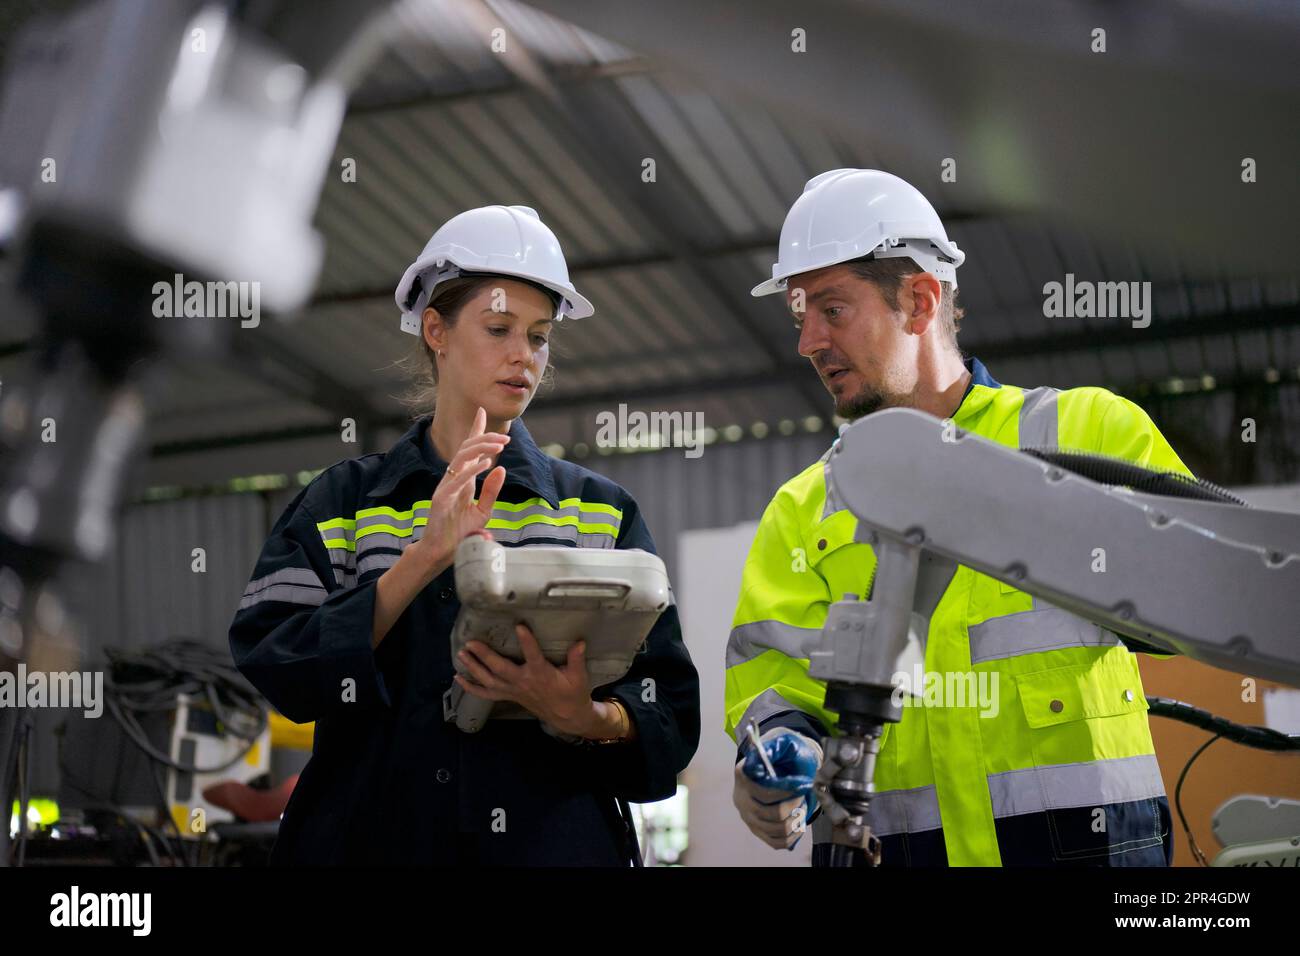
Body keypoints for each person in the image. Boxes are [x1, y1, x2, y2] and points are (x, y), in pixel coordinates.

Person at [726, 169, 1189, 867]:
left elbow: (1199, 602)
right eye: (800, 318)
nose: (807, 342)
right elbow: (772, 680)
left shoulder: (1085, 432)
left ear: (918, 299)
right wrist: (776, 753)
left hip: (1084, 848)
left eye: (831, 310)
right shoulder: (802, 508)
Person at [229, 205, 700, 865]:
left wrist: (585, 719)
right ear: (436, 330)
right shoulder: (342, 504)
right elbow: (275, 663)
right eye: (500, 327)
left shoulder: (600, 512)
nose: (524, 356)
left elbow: (670, 716)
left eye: (539, 337)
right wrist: (420, 560)